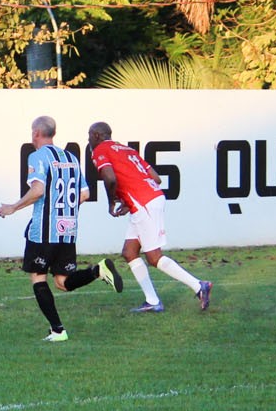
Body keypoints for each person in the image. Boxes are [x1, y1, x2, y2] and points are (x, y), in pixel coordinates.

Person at [0, 116, 117, 342]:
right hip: (68, 229)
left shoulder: (37, 156)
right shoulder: (71, 158)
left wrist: (13, 207)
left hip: (44, 231)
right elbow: (85, 194)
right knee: (62, 282)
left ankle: (58, 330)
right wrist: (65, 211)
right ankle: (97, 271)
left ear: (36, 133)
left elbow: (38, 190)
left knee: (38, 277)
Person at [87, 121, 210, 313]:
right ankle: (152, 301)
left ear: (96, 135)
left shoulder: (100, 149)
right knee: (129, 252)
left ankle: (198, 285)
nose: (88, 140)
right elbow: (156, 178)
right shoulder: (127, 150)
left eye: (89, 136)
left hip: (144, 203)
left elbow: (110, 178)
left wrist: (112, 202)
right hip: (147, 199)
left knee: (154, 257)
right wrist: (129, 199)